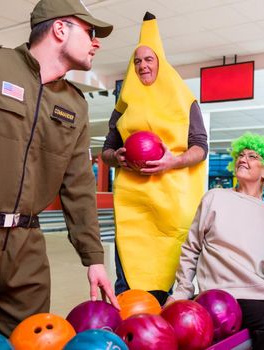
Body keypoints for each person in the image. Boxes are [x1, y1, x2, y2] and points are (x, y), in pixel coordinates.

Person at [0, 0, 118, 347]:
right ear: (60, 29)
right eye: (90, 32)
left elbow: (78, 186)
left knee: (31, 343)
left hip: (27, 253)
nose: (97, 42)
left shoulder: (75, 104)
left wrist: (93, 259)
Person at [170, 133, 264, 350]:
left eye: (252, 156)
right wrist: (181, 293)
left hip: (262, 288)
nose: (243, 159)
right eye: (241, 155)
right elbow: (191, 248)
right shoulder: (215, 197)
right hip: (226, 291)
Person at [101, 12, 207, 305]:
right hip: (133, 206)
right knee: (130, 285)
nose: (142, 65)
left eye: (148, 59)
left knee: (171, 286)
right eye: (137, 61)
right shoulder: (123, 106)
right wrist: (117, 157)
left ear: (160, 62)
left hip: (172, 205)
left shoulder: (184, 100)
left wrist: (174, 162)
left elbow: (200, 147)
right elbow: (107, 150)